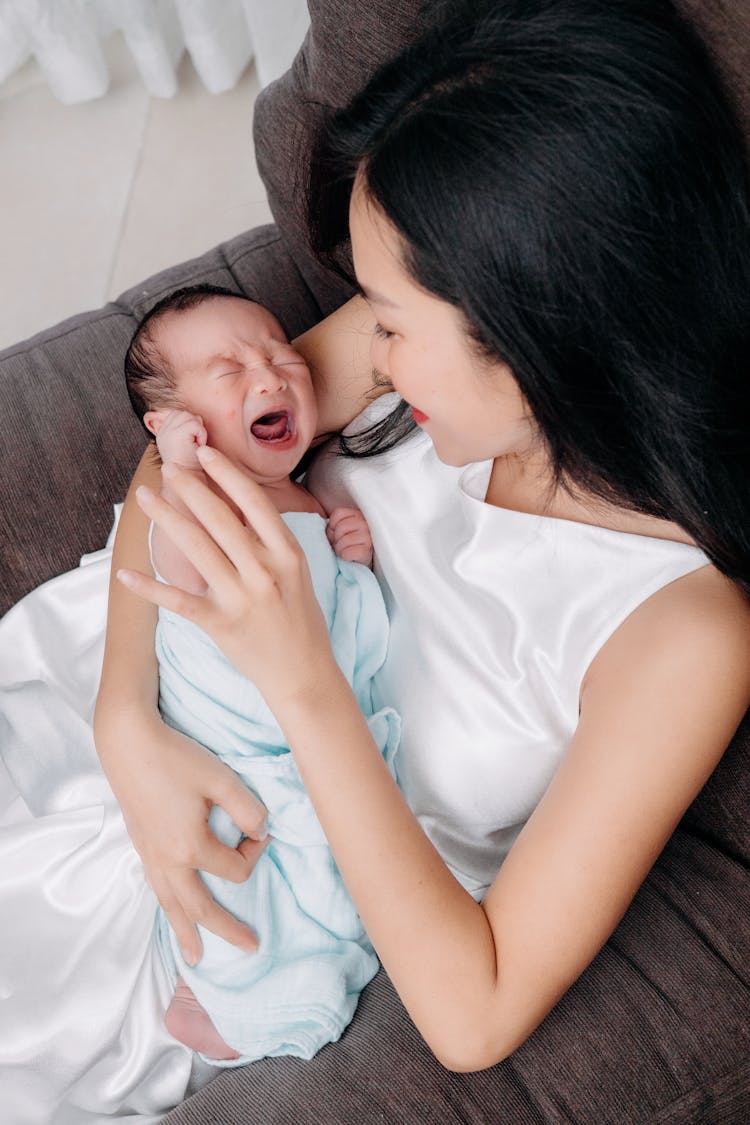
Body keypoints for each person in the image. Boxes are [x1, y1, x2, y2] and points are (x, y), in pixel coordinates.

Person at [95, 0, 750, 1097]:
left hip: (266, 913)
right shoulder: (430, 348)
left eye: (389, 323)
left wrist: (304, 681)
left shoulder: (680, 632)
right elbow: (180, 454)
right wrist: (123, 720)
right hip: (142, 713)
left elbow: (473, 1014)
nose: (368, 355)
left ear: (541, 334)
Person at [122, 283, 399, 1064]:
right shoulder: (199, 495)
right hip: (241, 738)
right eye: (230, 369)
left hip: (307, 712)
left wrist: (351, 561)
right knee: (245, 860)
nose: (273, 376)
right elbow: (181, 571)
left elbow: (339, 624)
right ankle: (208, 988)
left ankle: (220, 983)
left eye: (283, 356)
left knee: (300, 867)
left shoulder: (306, 491)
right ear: (171, 426)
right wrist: (179, 473)